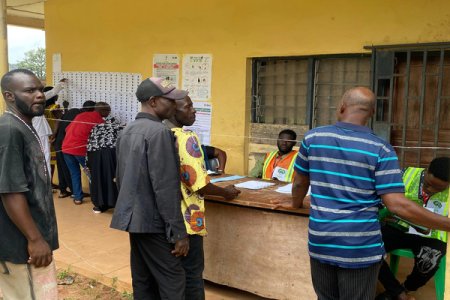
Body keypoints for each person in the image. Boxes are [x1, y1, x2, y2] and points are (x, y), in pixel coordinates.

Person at [275, 87, 450, 300]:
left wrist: (295, 205)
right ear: (372, 114)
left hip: (321, 241)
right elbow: (397, 204)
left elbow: (299, 183)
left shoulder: (313, 138)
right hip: (359, 248)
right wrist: (446, 224)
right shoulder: (381, 149)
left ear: (341, 107)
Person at [110, 77, 189, 300]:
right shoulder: (159, 132)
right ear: (153, 101)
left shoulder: (128, 130)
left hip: (134, 219)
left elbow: (121, 176)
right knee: (173, 279)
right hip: (154, 221)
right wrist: (178, 232)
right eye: (170, 100)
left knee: (143, 278)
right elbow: (165, 186)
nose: (175, 105)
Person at [165, 95, 240, 299]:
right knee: (192, 275)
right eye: (188, 106)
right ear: (172, 110)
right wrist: (226, 193)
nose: (194, 111)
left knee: (171, 276)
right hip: (188, 220)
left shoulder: (157, 134)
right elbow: (198, 185)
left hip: (163, 219)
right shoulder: (186, 138)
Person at [0, 69, 59, 299]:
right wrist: (34, 239)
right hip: (22, 246)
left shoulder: (25, 125)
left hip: (32, 241)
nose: (40, 95)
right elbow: (10, 191)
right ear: (9, 96)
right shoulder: (9, 131)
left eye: (40, 90)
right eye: (30, 90)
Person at [377, 157, 450, 300]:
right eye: (428, 185)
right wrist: (385, 211)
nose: (430, 191)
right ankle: (397, 291)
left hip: (432, 235)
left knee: (429, 262)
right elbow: (381, 200)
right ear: (427, 170)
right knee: (368, 247)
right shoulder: (404, 174)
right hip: (398, 227)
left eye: (439, 188)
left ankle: (405, 289)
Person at [62, 101, 109, 205]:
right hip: (80, 150)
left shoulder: (80, 115)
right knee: (92, 174)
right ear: (102, 110)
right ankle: (97, 198)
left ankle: (78, 198)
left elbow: (67, 129)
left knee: (74, 173)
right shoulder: (99, 120)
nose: (109, 113)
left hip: (66, 148)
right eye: (108, 111)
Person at [54, 100, 95, 198]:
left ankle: (64, 191)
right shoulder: (81, 117)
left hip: (60, 142)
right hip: (69, 143)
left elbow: (62, 122)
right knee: (75, 170)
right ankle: (74, 192)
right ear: (92, 110)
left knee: (62, 167)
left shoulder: (73, 111)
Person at [86, 115, 124, 213]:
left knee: (98, 179)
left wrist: (88, 163)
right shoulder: (116, 129)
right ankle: (114, 203)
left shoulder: (96, 128)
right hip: (111, 155)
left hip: (94, 155)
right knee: (112, 179)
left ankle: (99, 206)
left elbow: (88, 146)